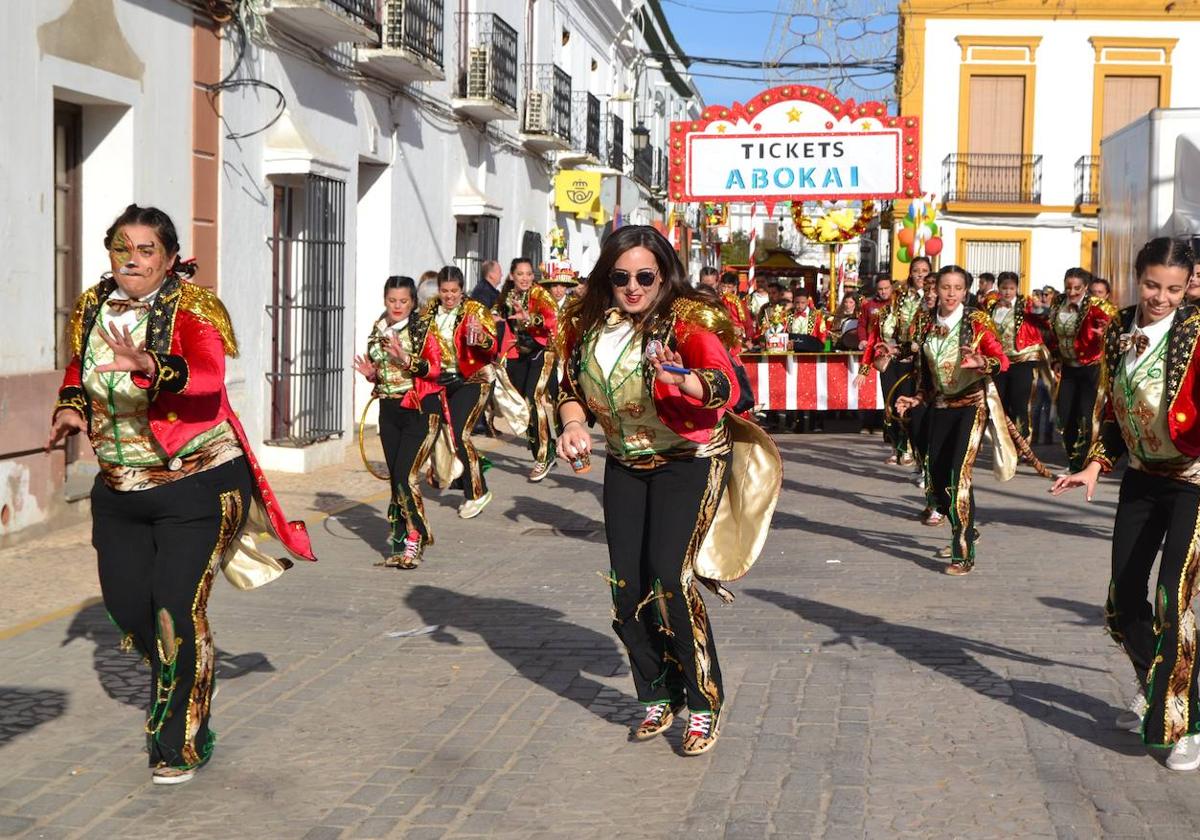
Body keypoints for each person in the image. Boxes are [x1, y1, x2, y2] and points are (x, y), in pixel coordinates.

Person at [46, 204, 315, 785]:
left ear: (169, 258)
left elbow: (209, 375)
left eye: (147, 250)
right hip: (120, 486)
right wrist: (71, 407)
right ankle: (191, 668)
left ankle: (179, 739)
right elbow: (78, 366)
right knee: (128, 608)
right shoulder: (94, 306)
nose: (133, 259)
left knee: (174, 610)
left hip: (199, 483)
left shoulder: (193, 307)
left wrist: (150, 364)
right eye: (124, 248)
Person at [555, 225, 780, 755]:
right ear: (606, 277)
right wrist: (572, 424)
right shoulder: (587, 326)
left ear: (663, 275)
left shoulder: (687, 321)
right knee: (626, 584)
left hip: (689, 457)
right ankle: (655, 689)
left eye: (645, 277)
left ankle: (703, 701)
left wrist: (686, 382)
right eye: (621, 277)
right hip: (626, 462)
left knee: (670, 576)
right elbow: (569, 389)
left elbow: (726, 384)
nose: (633, 287)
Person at [1052, 237, 1200, 771]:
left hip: (1193, 482)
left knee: (1172, 600)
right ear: (1136, 278)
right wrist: (1095, 462)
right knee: (1122, 602)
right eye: (1152, 285)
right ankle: (1154, 684)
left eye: (1174, 289)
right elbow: (1113, 410)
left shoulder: (1199, 332)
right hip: (1140, 477)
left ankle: (1182, 720)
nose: (1161, 298)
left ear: (1188, 288)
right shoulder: (1118, 329)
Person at [895, 265, 1009, 574]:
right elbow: (924, 373)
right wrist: (916, 397)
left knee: (959, 476)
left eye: (957, 288)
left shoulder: (976, 321)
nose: (950, 293)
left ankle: (963, 552)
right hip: (940, 407)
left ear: (965, 291)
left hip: (971, 407)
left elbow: (1002, 360)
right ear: (936, 289)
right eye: (945, 287)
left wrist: (983, 362)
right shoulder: (926, 324)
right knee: (937, 478)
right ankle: (968, 528)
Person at [353, 276, 443, 568]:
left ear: (413, 302)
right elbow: (381, 372)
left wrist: (406, 359)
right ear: (385, 300)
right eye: (392, 301)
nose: (397, 306)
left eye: (403, 301)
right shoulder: (379, 329)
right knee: (396, 480)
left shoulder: (423, 328)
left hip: (419, 408)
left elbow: (434, 369)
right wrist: (371, 374)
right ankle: (402, 542)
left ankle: (417, 537)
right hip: (389, 410)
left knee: (406, 476)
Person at [1028, 267, 1116, 473]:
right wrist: (1056, 358)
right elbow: (1050, 333)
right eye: (1069, 287)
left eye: (1077, 288)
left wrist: (1104, 333)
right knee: (1065, 417)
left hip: (1091, 369)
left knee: (1086, 417)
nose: (1072, 292)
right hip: (1068, 368)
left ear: (1086, 287)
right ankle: (1073, 460)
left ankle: (1082, 464)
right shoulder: (1058, 303)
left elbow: (1117, 326)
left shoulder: (1098, 306)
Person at [429, 265, 498, 518]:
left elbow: (492, 346)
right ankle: (458, 475)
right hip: (441, 381)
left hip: (473, 379)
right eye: (445, 291)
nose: (449, 296)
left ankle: (477, 492)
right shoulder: (429, 311)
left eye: (454, 291)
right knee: (436, 432)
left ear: (462, 290)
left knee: (460, 433)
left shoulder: (475, 310)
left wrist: (481, 337)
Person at [494, 257, 559, 480]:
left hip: (541, 352)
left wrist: (530, 318)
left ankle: (543, 457)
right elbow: (494, 318)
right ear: (512, 276)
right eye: (520, 274)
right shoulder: (505, 298)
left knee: (534, 399)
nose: (525, 278)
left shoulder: (540, 295)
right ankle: (545, 449)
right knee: (524, 407)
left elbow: (552, 319)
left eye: (528, 274)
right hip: (517, 356)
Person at [860, 275, 922, 465]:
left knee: (904, 406)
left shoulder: (915, 313)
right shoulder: (884, 312)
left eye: (907, 294)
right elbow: (872, 339)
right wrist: (864, 368)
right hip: (887, 363)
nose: (903, 297)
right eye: (903, 293)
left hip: (907, 363)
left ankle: (909, 449)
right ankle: (896, 448)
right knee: (889, 405)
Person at [988, 271, 1045, 441]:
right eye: (1004, 288)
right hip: (1001, 361)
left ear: (1016, 289)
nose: (1007, 292)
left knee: (1020, 402)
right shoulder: (992, 307)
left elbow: (1042, 318)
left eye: (1011, 288)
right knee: (1001, 402)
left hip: (1022, 359)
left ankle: (1022, 440)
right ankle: (1006, 440)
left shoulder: (1025, 305)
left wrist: (1038, 308)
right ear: (999, 289)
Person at [717, 271, 756, 352]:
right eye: (723, 286)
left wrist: (749, 338)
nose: (725, 289)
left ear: (735, 287)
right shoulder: (717, 301)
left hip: (738, 339)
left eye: (729, 287)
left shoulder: (740, 303)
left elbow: (747, 323)